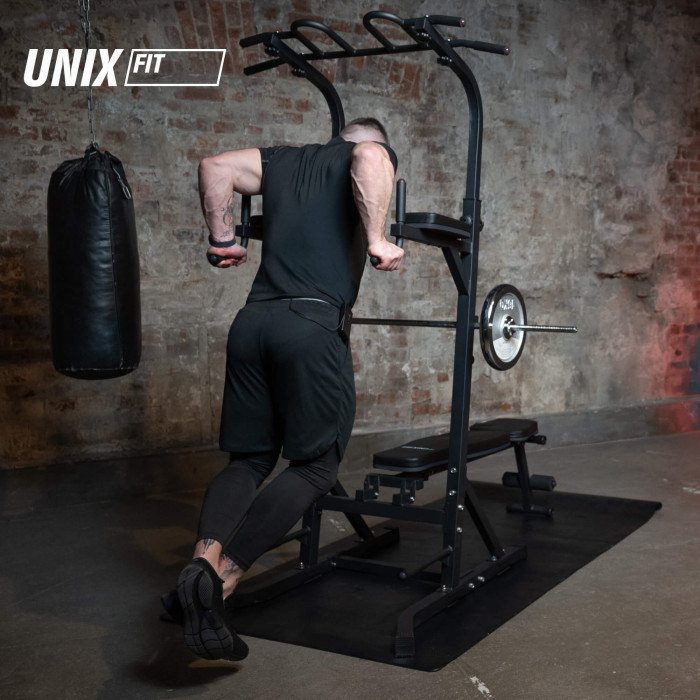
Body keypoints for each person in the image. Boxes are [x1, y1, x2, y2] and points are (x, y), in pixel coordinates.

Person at [172, 117, 404, 662]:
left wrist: (223, 241)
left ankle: (202, 562)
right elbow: (369, 159)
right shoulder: (365, 154)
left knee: (250, 460)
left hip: (252, 324)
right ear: (369, 141)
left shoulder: (283, 160)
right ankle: (222, 581)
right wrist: (376, 238)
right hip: (310, 327)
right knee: (316, 468)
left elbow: (213, 166)